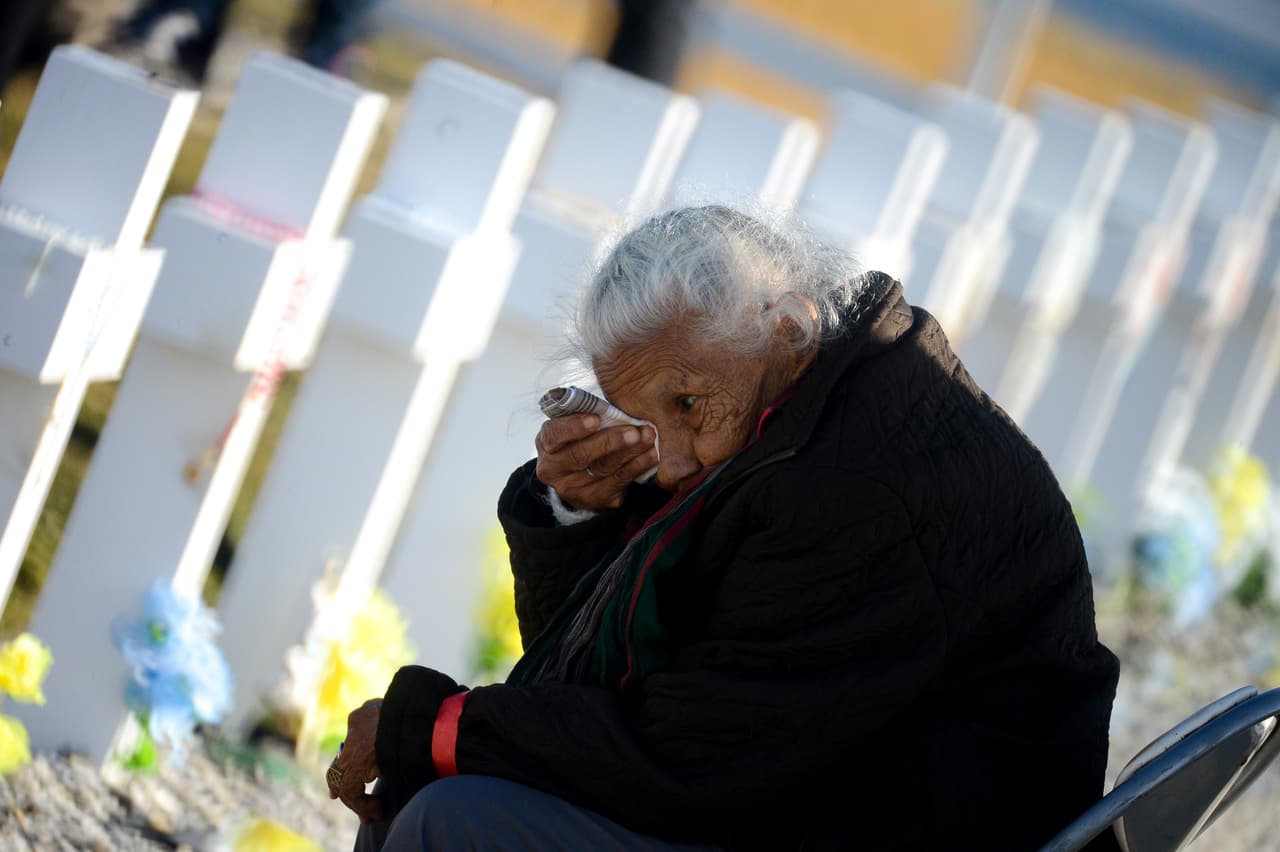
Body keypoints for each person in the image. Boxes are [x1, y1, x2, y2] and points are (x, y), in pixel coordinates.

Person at [328, 206, 1120, 851]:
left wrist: (436, 726)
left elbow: (688, 759)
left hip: (898, 821)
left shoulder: (850, 486)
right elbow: (629, 678)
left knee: (452, 820)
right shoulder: (812, 409)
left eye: (687, 405)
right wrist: (581, 515)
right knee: (435, 782)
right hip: (829, 794)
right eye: (644, 420)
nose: (672, 460)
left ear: (786, 328)